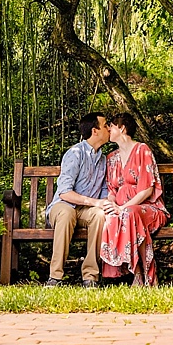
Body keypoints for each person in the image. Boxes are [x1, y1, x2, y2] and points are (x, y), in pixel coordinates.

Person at [98, 111, 168, 286]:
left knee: (129, 214)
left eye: (111, 127)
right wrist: (112, 204)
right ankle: (136, 274)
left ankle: (150, 275)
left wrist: (122, 208)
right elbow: (111, 189)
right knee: (113, 217)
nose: (108, 130)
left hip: (149, 207)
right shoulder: (111, 158)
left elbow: (147, 189)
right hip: (123, 210)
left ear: (122, 128)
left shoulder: (142, 150)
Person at [45, 111, 110, 287]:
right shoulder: (75, 153)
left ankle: (90, 276)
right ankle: (55, 277)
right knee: (67, 213)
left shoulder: (103, 160)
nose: (109, 128)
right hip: (63, 205)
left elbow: (104, 191)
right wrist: (95, 202)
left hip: (85, 211)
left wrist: (106, 203)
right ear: (95, 131)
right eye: (105, 125)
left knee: (100, 215)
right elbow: (65, 192)